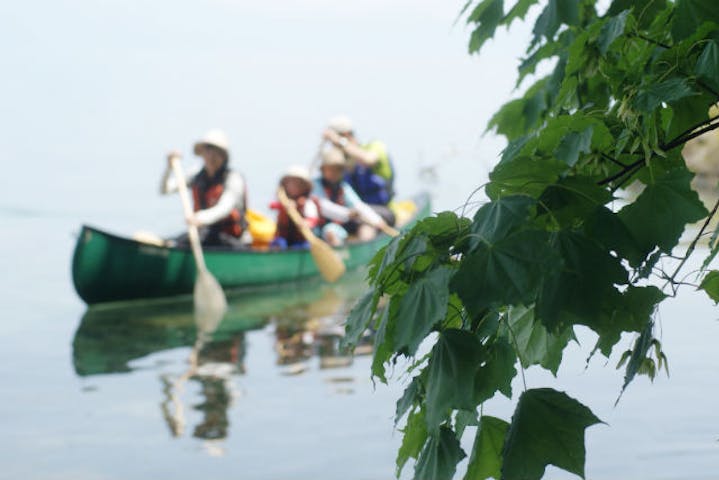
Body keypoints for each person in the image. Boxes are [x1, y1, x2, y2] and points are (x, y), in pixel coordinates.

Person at [160, 129, 249, 248]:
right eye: (208, 151)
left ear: (223, 156)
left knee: (198, 236)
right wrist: (169, 168)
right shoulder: (196, 175)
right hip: (203, 235)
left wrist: (200, 218)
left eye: (216, 153)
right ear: (202, 154)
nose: (211, 156)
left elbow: (224, 208)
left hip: (231, 240)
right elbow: (165, 190)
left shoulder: (234, 179)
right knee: (172, 242)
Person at [322, 114, 396, 226]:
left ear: (346, 135)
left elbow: (368, 159)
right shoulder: (340, 164)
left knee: (366, 224)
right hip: (352, 214)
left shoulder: (375, 146)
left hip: (382, 210)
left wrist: (340, 142)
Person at [312, 146, 389, 246]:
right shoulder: (315, 185)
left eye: (338, 169)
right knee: (330, 232)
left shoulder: (343, 187)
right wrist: (348, 214)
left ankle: (364, 252)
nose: (334, 173)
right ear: (323, 170)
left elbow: (358, 205)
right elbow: (324, 207)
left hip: (343, 225)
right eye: (331, 169)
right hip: (322, 228)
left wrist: (377, 221)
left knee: (367, 227)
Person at [269, 166, 320, 249]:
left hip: (300, 240)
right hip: (283, 239)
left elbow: (313, 219)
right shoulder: (283, 201)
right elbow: (271, 206)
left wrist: (306, 223)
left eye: (298, 184)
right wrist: (285, 206)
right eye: (290, 183)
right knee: (278, 244)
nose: (293, 186)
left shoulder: (307, 203)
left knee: (306, 246)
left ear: (305, 187)